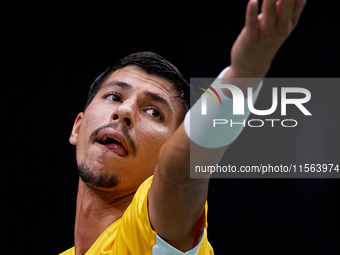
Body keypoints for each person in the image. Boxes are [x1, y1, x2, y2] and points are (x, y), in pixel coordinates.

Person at [60, 0, 306, 254]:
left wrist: (243, 75)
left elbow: (179, 175)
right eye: (114, 96)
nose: (124, 112)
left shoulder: (155, 238)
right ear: (77, 127)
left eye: (154, 112)